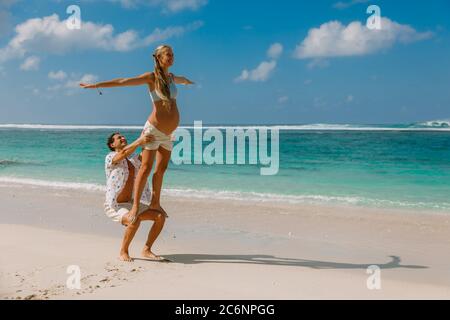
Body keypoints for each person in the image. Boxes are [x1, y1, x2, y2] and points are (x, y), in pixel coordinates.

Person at [81, 44, 194, 224]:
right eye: (167, 54)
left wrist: (187, 81)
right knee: (146, 168)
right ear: (158, 58)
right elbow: (123, 81)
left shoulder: (172, 78)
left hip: (168, 133)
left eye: (172, 54)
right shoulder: (151, 78)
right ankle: (134, 207)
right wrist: (96, 85)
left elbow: (182, 79)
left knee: (161, 170)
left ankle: (155, 203)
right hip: (154, 130)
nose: (171, 57)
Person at [104, 132, 169, 262]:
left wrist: (153, 138)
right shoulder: (110, 157)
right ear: (112, 144)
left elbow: (145, 154)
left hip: (131, 203)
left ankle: (146, 249)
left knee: (160, 217)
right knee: (134, 220)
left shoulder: (133, 159)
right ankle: (123, 251)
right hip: (115, 205)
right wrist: (139, 141)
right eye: (118, 138)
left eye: (123, 136)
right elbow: (122, 154)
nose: (123, 138)